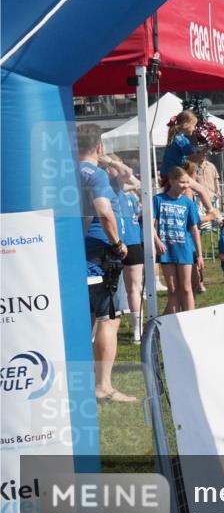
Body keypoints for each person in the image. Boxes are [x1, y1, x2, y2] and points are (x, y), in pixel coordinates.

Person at [78, 124, 135, 403]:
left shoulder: (65, 173)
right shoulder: (96, 175)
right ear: (99, 147)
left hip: (77, 252)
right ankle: (103, 386)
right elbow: (104, 212)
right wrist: (116, 243)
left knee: (86, 319)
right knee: (108, 319)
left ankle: (85, 383)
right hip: (101, 253)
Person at [152, 167, 203, 314]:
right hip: (166, 250)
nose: (186, 186)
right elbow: (151, 223)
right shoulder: (158, 199)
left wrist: (199, 255)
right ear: (172, 181)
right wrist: (157, 241)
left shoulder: (188, 202)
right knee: (173, 290)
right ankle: (172, 323)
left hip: (184, 249)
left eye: (188, 182)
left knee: (186, 287)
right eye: (182, 182)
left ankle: (189, 319)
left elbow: (194, 229)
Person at [107, 156, 144, 343]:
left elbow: (134, 180)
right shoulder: (107, 184)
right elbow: (128, 176)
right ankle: (103, 327)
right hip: (114, 240)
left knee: (134, 287)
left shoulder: (122, 186)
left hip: (132, 240)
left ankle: (138, 328)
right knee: (108, 288)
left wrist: (114, 162)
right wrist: (110, 164)